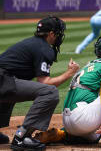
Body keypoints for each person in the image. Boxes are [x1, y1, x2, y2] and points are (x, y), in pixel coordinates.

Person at [34, 36, 101, 147]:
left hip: (69, 122)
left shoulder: (89, 66)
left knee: (94, 136)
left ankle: (62, 134)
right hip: (82, 118)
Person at [0, 16, 79, 151]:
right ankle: (21, 137)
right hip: (3, 80)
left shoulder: (33, 43)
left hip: (4, 80)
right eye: (58, 33)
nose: (59, 37)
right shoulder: (43, 48)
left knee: (12, 88)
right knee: (50, 92)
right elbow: (45, 83)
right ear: (51, 34)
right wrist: (69, 73)